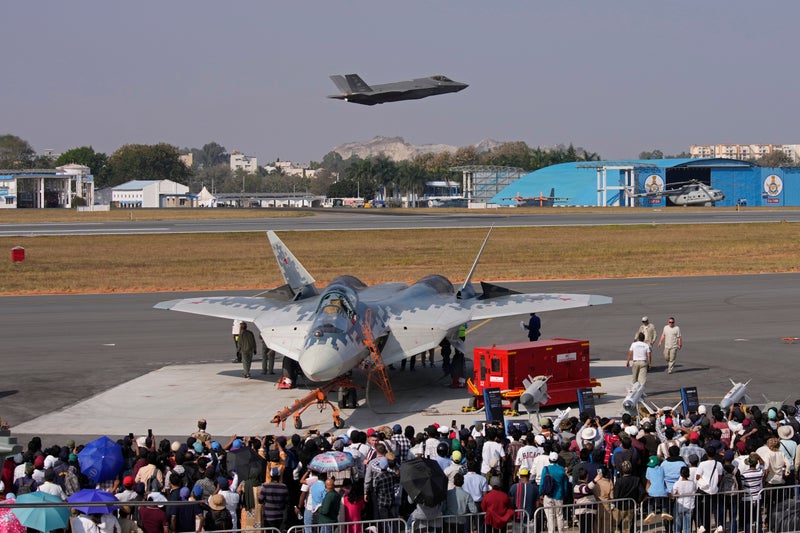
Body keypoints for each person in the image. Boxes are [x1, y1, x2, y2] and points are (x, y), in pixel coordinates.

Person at [671, 466, 696, 533]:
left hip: (680, 505)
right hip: (690, 505)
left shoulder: (677, 483)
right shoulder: (692, 483)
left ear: (681, 474)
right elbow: (694, 491)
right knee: (687, 527)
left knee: (677, 526)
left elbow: (673, 494)